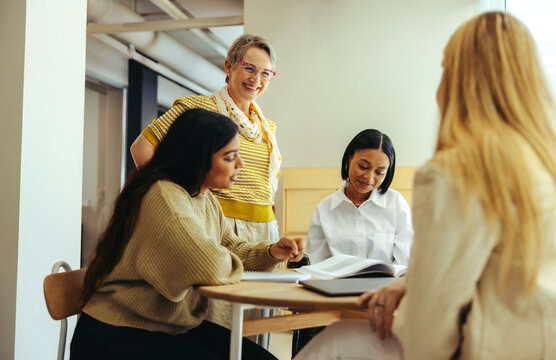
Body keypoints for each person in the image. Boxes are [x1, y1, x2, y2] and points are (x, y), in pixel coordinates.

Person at [294, 11, 556, 360]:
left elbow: (428, 334)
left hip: (481, 347)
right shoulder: (544, 163)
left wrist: (411, 290)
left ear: (461, 81)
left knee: (335, 343)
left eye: (446, 68)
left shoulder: (451, 173)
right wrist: (410, 284)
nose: (369, 177)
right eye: (363, 166)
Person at [70, 108, 305, 360]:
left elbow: (229, 248)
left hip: (169, 327)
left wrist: (270, 252)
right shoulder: (165, 197)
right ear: (198, 158)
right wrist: (227, 259)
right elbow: (209, 264)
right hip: (117, 334)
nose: (240, 164)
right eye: (229, 157)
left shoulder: (203, 197)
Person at [131, 33, 281, 328]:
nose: (256, 79)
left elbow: (263, 187)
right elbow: (142, 149)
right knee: (219, 325)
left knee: (256, 326)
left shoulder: (265, 126)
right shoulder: (197, 109)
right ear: (229, 66)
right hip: (218, 227)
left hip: (264, 231)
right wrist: (177, 198)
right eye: (249, 68)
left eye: (266, 73)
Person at [307, 129, 413, 265]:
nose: (369, 177)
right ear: (349, 159)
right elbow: (317, 263)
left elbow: (405, 261)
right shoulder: (324, 209)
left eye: (379, 172)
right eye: (363, 166)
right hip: (335, 285)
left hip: (385, 285)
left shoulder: (396, 204)